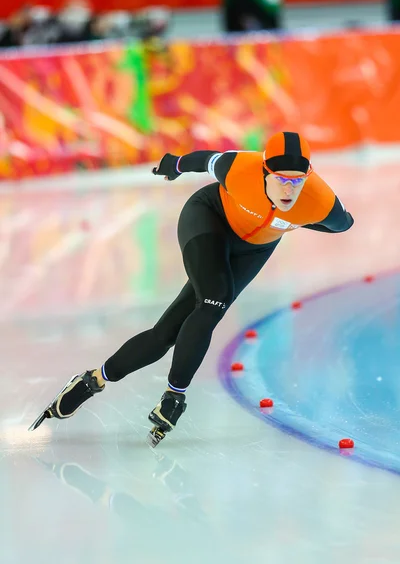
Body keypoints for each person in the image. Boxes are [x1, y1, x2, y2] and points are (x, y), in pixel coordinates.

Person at [28, 132, 354, 445]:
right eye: (281, 178)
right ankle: (175, 396)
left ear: (308, 177)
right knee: (214, 301)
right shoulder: (240, 168)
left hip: (253, 249)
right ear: (264, 171)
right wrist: (175, 164)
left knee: (166, 333)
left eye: (297, 181)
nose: (289, 188)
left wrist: (294, 220)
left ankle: (92, 381)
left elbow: (343, 224)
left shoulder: (320, 201)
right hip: (208, 218)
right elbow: (203, 160)